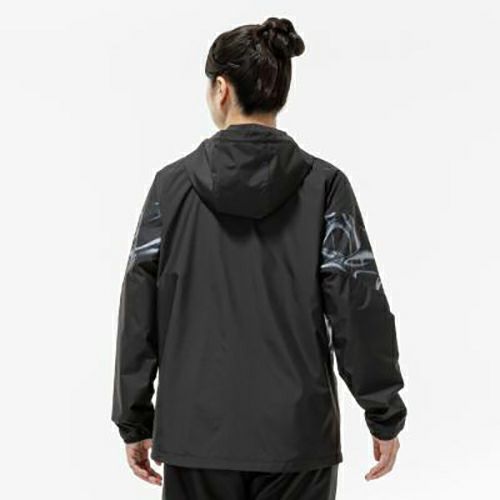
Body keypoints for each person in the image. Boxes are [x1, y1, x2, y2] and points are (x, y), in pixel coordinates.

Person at [111, 17, 407, 500]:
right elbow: (358, 305)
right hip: (297, 439)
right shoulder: (325, 187)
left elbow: (139, 309)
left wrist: (134, 418)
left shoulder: (171, 188)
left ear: (222, 89)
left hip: (195, 437)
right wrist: (384, 410)